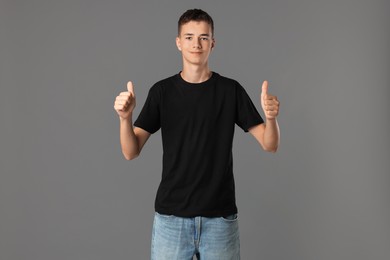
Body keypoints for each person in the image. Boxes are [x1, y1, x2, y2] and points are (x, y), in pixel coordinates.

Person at [113, 8, 280, 260]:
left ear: (213, 43)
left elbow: (270, 144)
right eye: (189, 37)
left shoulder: (230, 90)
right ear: (179, 43)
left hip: (220, 220)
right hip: (171, 220)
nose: (196, 44)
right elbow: (130, 151)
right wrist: (125, 119)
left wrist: (271, 118)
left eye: (203, 37)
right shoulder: (162, 92)